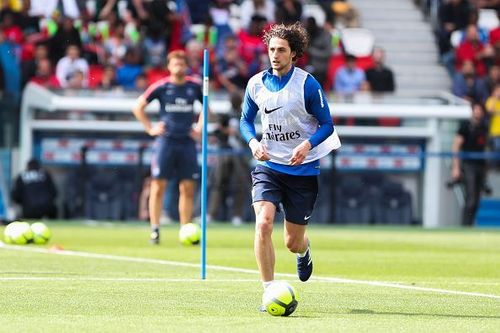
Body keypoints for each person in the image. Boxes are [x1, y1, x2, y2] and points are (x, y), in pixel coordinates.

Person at [239, 22, 341, 307]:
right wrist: (252, 142)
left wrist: (307, 144)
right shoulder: (256, 84)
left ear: (294, 53)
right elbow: (245, 120)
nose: (275, 55)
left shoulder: (307, 84)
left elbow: (327, 124)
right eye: (271, 49)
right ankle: (268, 289)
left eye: (281, 50)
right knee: (263, 223)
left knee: (292, 242)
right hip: (269, 167)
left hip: (303, 170)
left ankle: (303, 250)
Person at [132, 50, 204, 244]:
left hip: (187, 142)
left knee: (188, 187)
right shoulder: (161, 87)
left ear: (186, 66)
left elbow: (207, 107)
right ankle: (155, 229)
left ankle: (185, 229)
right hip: (166, 141)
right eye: (175, 64)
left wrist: (199, 128)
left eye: (182, 64)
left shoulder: (194, 86)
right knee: (157, 186)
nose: (179, 67)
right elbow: (138, 107)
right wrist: (150, 128)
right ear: (169, 66)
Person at [208, 92, 250, 226]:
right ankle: (211, 214)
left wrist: (238, 134)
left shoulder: (245, 115)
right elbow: (216, 132)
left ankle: (237, 215)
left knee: (240, 185)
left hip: (240, 153)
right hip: (225, 151)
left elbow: (250, 133)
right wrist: (224, 130)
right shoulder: (225, 116)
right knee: (218, 183)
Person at [450, 103, 488, 227]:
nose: (478, 112)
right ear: (472, 111)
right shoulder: (465, 126)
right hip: (468, 165)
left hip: (480, 166)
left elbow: (486, 148)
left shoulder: (484, 127)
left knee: (476, 201)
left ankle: (469, 226)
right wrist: (456, 167)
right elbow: (456, 146)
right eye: (476, 110)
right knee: (470, 200)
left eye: (480, 110)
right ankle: (464, 227)